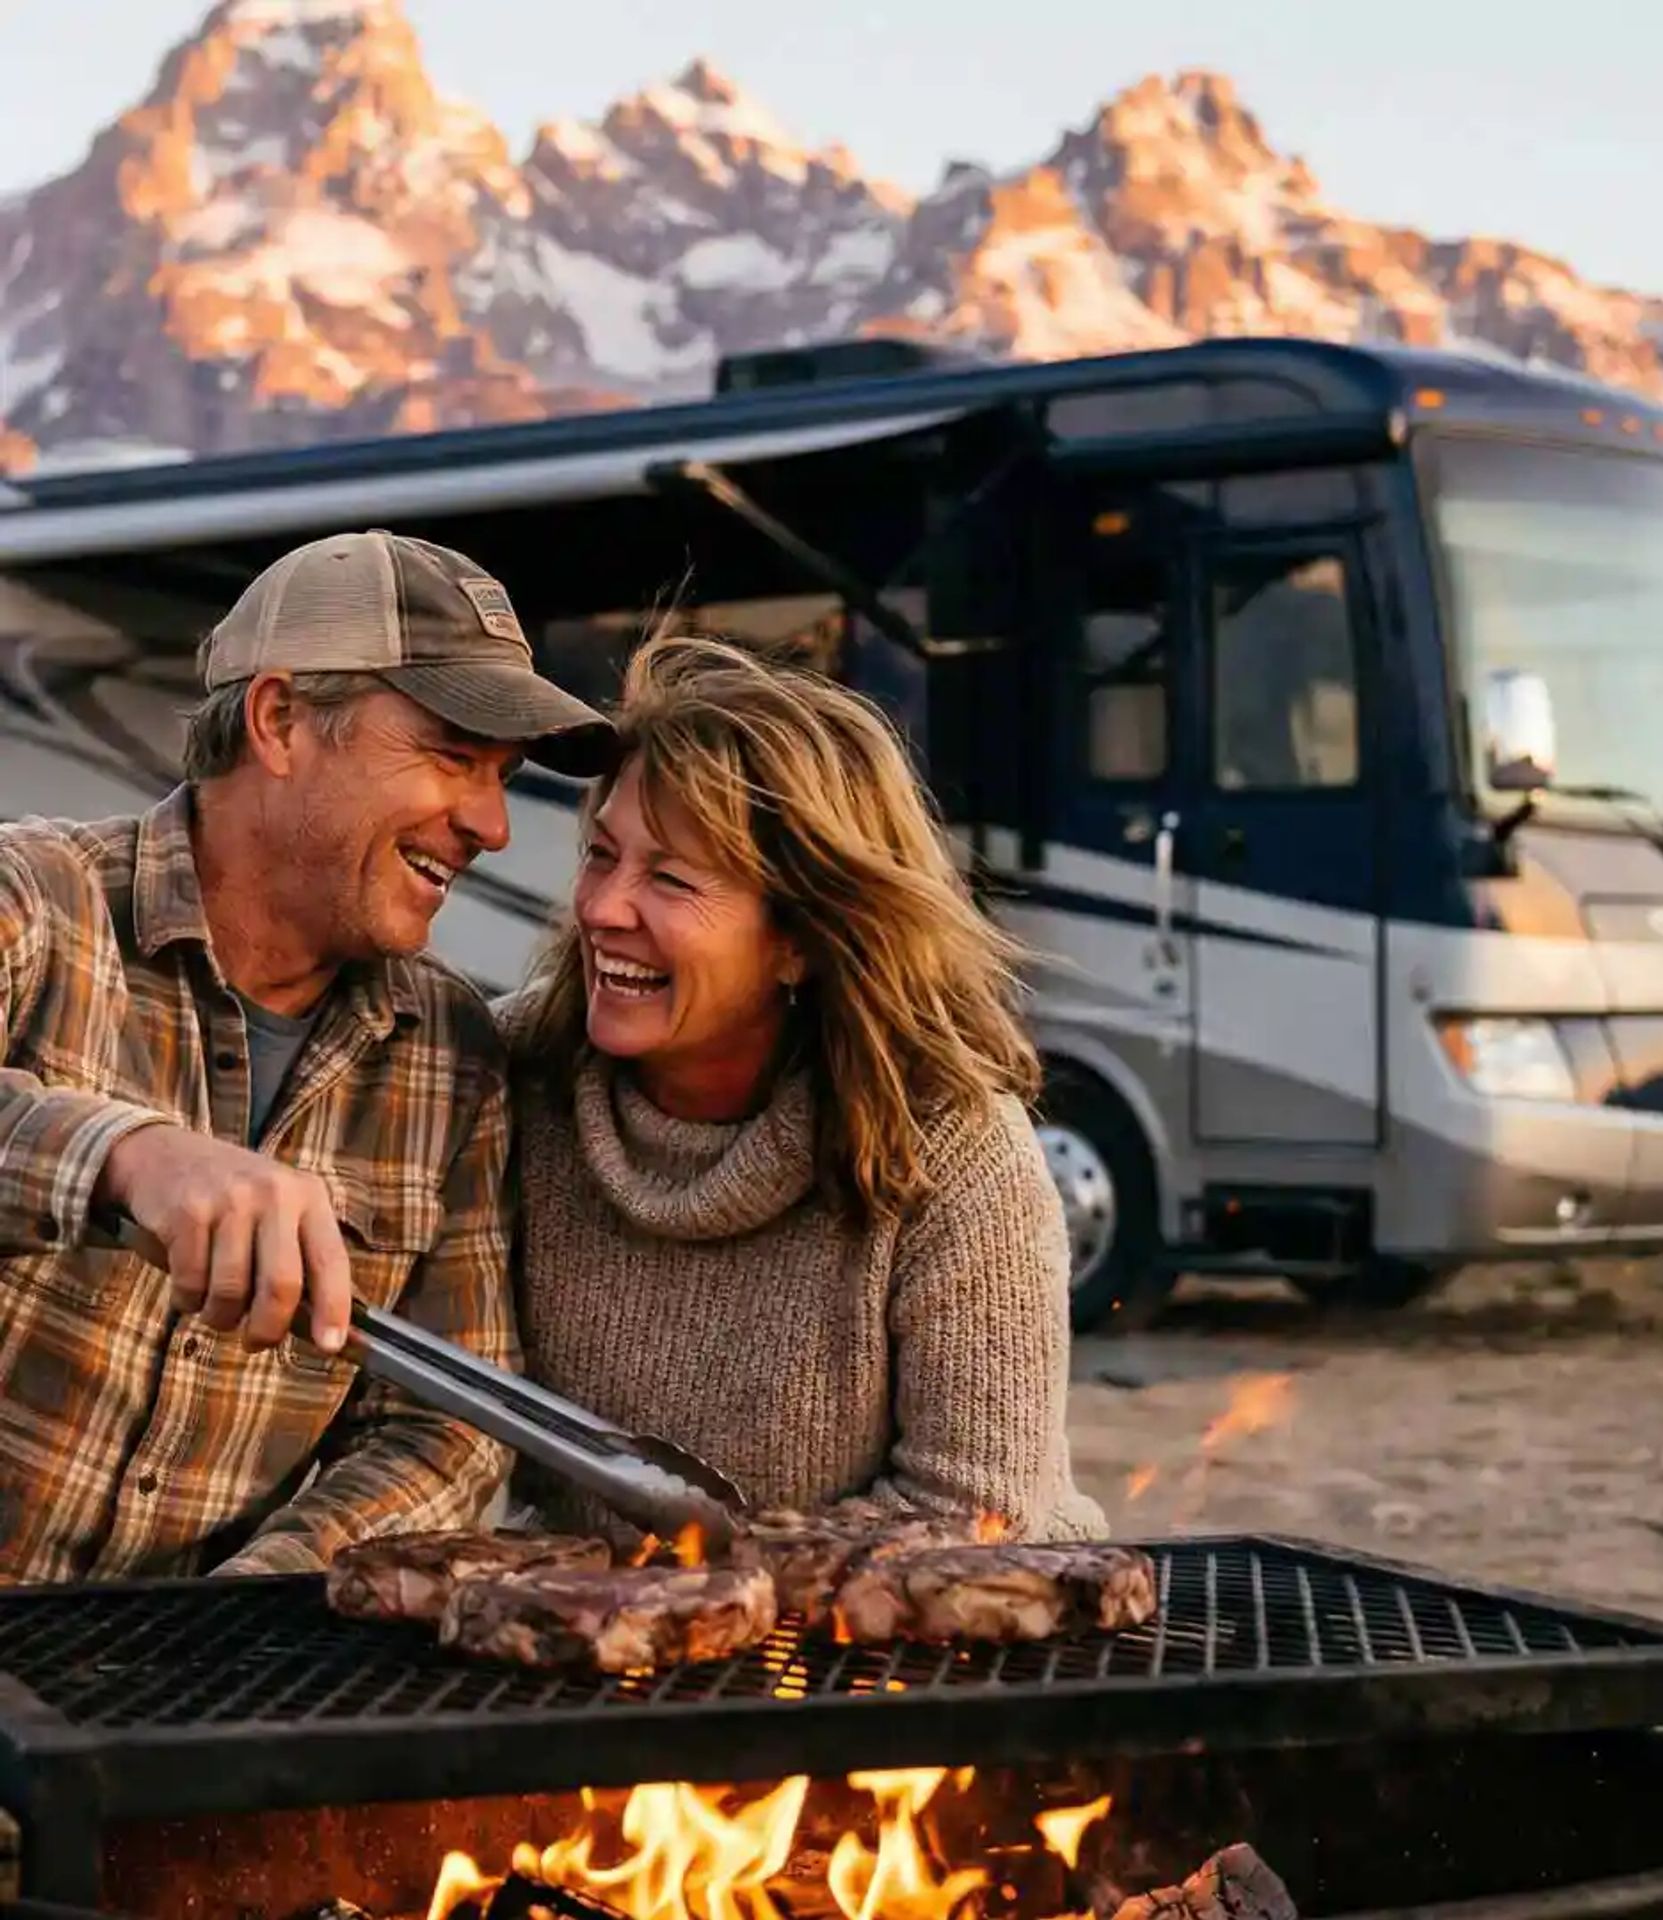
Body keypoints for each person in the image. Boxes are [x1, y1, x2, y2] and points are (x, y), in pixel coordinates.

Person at [0, 528, 614, 1583]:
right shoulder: (33, 901)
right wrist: (129, 1156)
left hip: (165, 1698)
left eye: (504, 776)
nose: (493, 825)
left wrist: (246, 1614)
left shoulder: (453, 1054)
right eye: (451, 755)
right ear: (279, 720)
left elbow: (447, 1426)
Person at [502, 633, 1105, 1543]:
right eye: (600, 854)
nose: (600, 908)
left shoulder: (948, 1143)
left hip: (883, 1663)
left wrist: (666, 1603)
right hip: (594, 1651)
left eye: (669, 877)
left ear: (803, 940)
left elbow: (977, 1516)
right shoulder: (511, 1074)